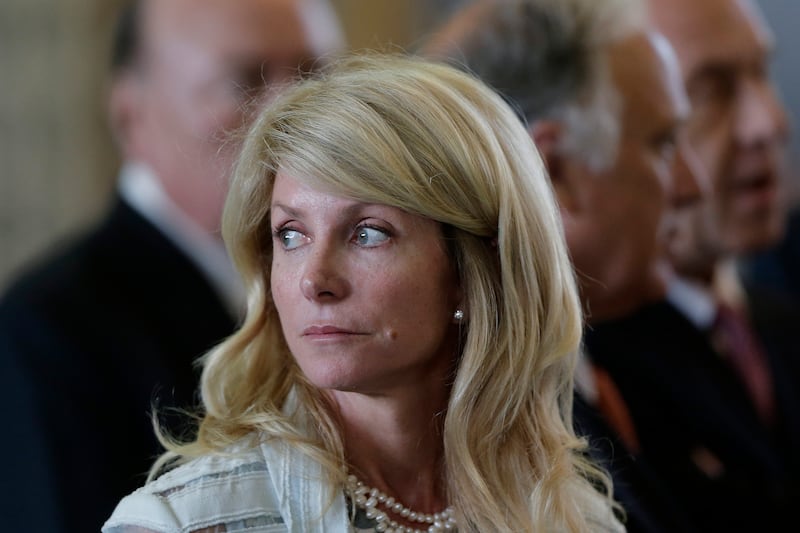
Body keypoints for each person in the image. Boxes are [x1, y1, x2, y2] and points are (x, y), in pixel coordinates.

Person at [103, 53, 622, 533]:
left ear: (474, 269)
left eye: (368, 233)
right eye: (291, 235)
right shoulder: (181, 523)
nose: (314, 280)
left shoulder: (573, 518)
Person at [0, 1, 343, 531]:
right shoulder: (47, 333)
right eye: (244, 81)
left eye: (313, 76)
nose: (292, 113)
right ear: (130, 117)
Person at [425, 0, 702, 531]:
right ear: (552, 170)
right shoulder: (478, 435)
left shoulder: (634, 354)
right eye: (664, 144)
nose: (693, 186)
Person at [584, 0, 800, 529]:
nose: (770, 122)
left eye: (762, 73)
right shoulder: (580, 377)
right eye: (710, 91)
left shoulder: (779, 318)